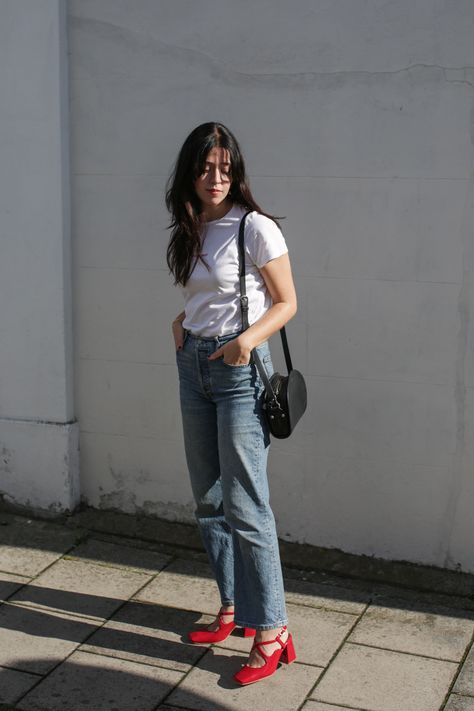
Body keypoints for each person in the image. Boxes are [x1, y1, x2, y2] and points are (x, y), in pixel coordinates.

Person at [166, 122, 297, 685]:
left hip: (240, 371)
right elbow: (203, 293)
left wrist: (246, 340)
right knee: (208, 498)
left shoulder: (255, 227)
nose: (215, 177)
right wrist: (182, 322)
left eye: (224, 167)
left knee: (247, 504)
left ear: (235, 171)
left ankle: (273, 631)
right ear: (190, 173)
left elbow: (287, 302)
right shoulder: (192, 224)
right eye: (205, 167)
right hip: (194, 366)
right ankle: (232, 607)